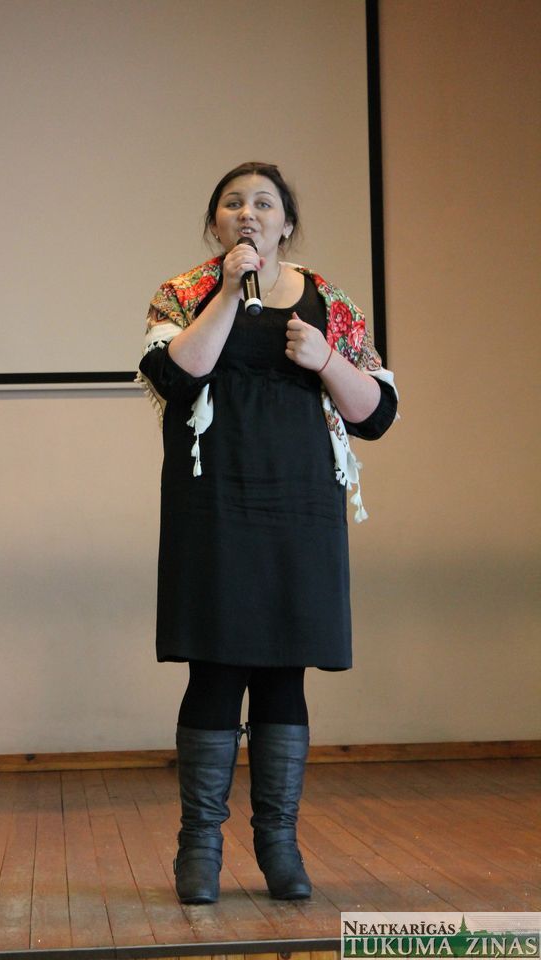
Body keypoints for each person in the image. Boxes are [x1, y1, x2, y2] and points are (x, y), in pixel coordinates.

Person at [137, 161, 398, 905]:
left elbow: (375, 414)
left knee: (285, 670)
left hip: (301, 508)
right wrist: (229, 292)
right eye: (232, 203)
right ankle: (199, 848)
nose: (247, 213)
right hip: (213, 504)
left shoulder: (331, 300)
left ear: (287, 223)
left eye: (263, 203)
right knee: (215, 669)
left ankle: (279, 844)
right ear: (215, 224)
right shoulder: (185, 293)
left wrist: (325, 358)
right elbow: (174, 377)